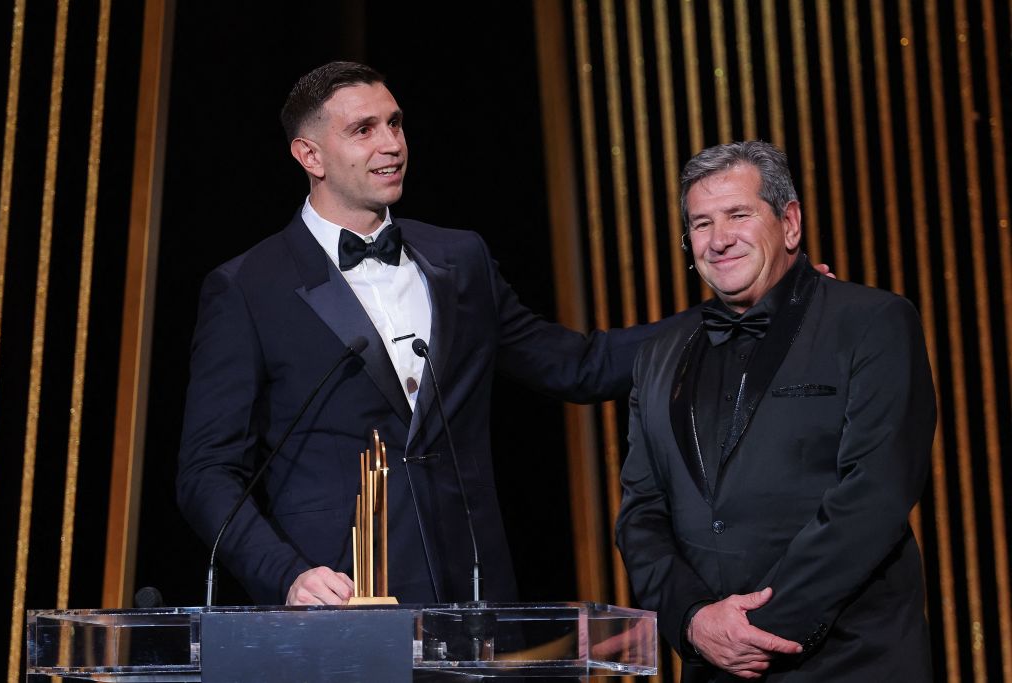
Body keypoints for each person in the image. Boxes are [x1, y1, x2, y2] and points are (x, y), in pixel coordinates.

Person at [175, 60, 677, 607]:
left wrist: (726, 313)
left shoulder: (461, 260)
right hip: (341, 604)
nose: (392, 144)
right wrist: (287, 575)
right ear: (309, 155)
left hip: (474, 597)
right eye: (363, 130)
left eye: (396, 123)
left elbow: (576, 366)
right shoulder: (248, 287)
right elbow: (207, 473)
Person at [615, 141, 935, 681]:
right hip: (712, 663)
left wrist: (757, 629)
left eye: (738, 215)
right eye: (700, 224)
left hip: (849, 660)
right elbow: (641, 512)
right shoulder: (658, 355)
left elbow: (874, 494)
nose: (718, 240)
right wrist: (694, 622)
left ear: (789, 223)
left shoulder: (872, 322)